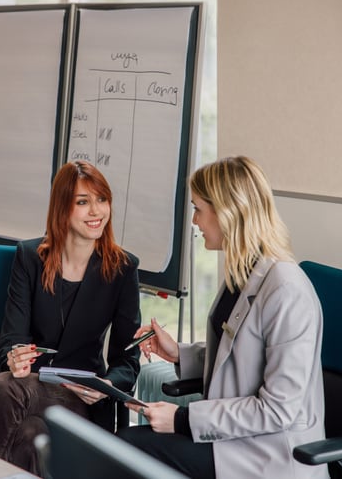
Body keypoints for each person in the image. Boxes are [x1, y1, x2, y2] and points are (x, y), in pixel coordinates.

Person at [118, 156, 328, 479]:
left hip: (267, 454)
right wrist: (179, 353)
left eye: (198, 209)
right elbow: (240, 358)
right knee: (123, 447)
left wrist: (182, 420)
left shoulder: (287, 290)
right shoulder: (243, 274)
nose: (194, 221)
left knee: (126, 451)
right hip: (235, 440)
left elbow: (277, 410)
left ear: (227, 212)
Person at [0, 160, 141, 474]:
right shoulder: (30, 258)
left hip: (79, 397)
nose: (96, 211)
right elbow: (12, 339)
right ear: (62, 208)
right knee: (30, 435)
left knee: (4, 389)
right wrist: (15, 357)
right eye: (83, 202)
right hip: (27, 383)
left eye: (102, 200)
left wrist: (106, 384)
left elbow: (127, 360)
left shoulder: (122, 269)